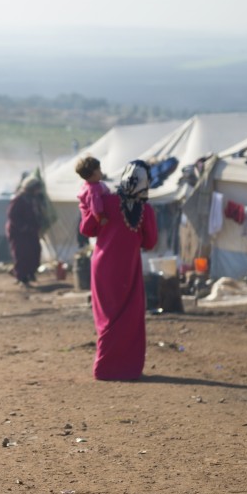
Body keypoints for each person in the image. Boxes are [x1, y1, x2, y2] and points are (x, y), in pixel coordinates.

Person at [80, 160, 158, 381]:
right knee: (129, 318)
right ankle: (127, 369)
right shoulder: (146, 210)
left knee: (107, 318)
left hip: (102, 267)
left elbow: (87, 229)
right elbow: (150, 242)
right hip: (128, 269)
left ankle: (105, 369)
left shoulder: (104, 201)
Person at [6, 177, 46, 287]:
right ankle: (22, 277)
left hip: (31, 231)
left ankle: (30, 273)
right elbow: (12, 216)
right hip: (19, 232)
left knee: (35, 252)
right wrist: (23, 227)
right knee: (22, 254)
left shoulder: (34, 199)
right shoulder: (19, 199)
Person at [76, 155, 110, 226]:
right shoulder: (94, 189)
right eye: (99, 169)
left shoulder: (87, 185)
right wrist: (101, 217)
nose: (101, 172)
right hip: (99, 220)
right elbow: (95, 205)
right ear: (93, 174)